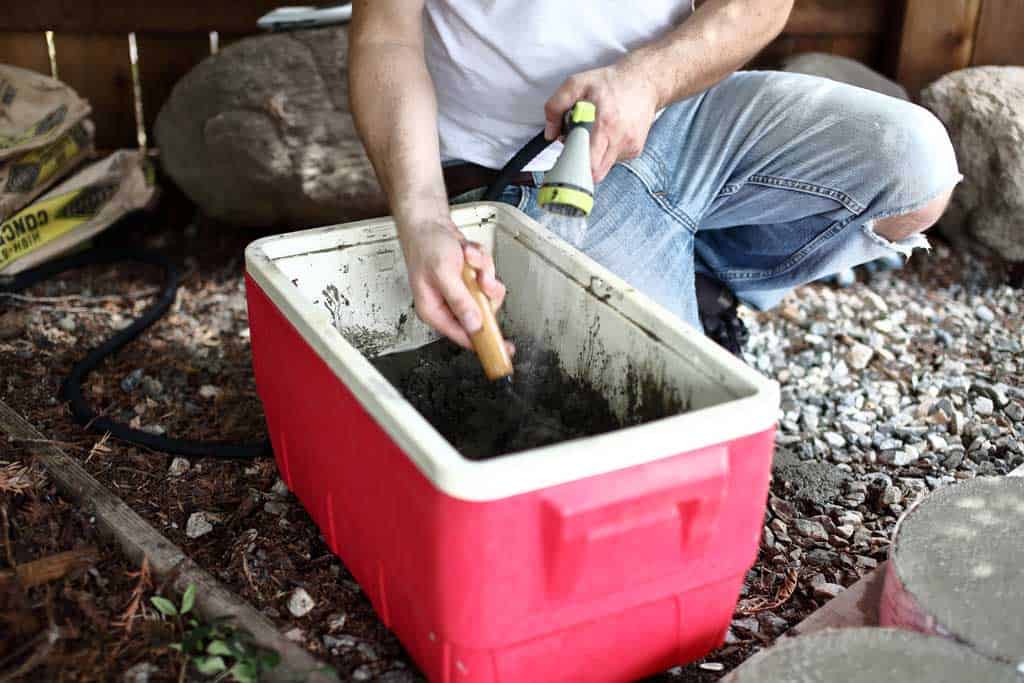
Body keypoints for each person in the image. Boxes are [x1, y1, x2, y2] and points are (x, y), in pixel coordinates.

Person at [349, 0, 960, 356]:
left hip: (678, 114)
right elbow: (385, 37)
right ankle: (659, 274)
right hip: (515, 172)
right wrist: (424, 217)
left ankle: (699, 276)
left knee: (914, 164)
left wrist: (647, 81)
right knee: (649, 418)